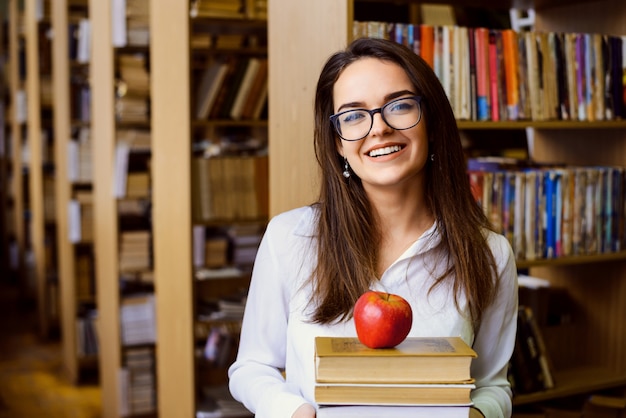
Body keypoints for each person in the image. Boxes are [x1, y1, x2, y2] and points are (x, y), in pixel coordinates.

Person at [228, 37, 518, 418]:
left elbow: (492, 384)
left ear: (431, 122)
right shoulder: (288, 238)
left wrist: (478, 415)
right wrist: (296, 412)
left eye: (398, 106)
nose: (378, 128)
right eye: (352, 115)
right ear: (338, 143)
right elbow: (251, 368)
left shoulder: (489, 253)